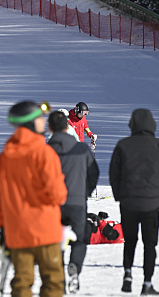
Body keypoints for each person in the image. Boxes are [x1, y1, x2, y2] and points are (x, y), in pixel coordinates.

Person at [0, 101, 67, 297]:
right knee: (52, 281)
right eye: (39, 119)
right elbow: (58, 194)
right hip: (45, 230)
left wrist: (4, 226)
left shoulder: (5, 156)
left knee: (21, 282)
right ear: (29, 123)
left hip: (17, 232)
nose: (43, 123)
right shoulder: (44, 153)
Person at [110, 109, 159, 296]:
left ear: (132, 124)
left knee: (129, 241)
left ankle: (127, 275)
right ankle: (147, 283)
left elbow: (113, 174)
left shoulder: (123, 145)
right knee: (150, 244)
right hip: (151, 204)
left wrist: (119, 196)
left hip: (128, 203)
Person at [47, 110, 100, 294]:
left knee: (55, 241)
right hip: (77, 202)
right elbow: (94, 173)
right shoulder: (82, 149)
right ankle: (75, 266)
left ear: (50, 128)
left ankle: (58, 276)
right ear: (68, 126)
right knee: (80, 238)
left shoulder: (45, 150)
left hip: (53, 204)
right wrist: (84, 192)